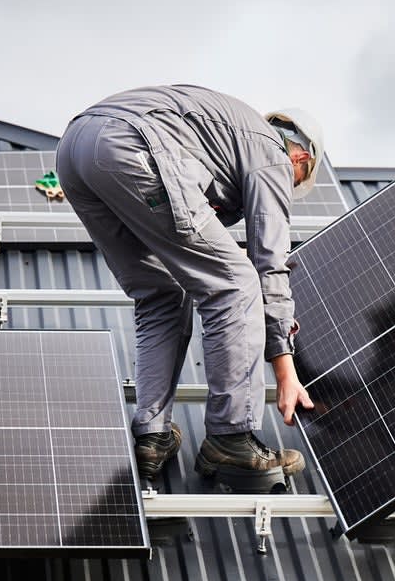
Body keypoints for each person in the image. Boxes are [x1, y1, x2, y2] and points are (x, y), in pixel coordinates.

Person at [55, 85, 318, 482]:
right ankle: (232, 438)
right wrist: (285, 366)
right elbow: (270, 262)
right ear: (301, 157)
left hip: (76, 148)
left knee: (160, 293)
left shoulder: (225, 134)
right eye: (295, 182)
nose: (287, 190)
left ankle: (152, 433)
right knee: (235, 282)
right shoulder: (273, 153)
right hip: (133, 143)